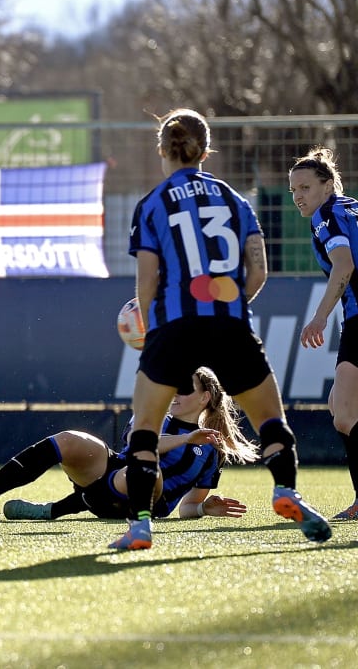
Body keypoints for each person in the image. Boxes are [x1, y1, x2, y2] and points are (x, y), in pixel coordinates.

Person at [115, 107, 331, 550]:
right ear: (206, 151)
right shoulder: (235, 200)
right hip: (229, 325)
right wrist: (229, 311)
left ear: (162, 150)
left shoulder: (152, 204)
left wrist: (156, 327)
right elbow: (258, 272)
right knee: (271, 419)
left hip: (172, 327)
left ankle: (139, 526)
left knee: (145, 430)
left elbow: (147, 282)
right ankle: (286, 491)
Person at [0, 367, 256, 522]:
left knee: (148, 469)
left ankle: (51, 510)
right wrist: (187, 437)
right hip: (109, 479)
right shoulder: (152, 414)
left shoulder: (213, 453)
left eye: (185, 388)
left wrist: (203, 507)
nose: (175, 392)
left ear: (204, 398)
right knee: (69, 439)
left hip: (141, 501)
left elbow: (185, 508)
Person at [288, 146, 358, 520]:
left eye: (305, 187)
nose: (299, 196)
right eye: (293, 191)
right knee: (339, 405)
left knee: (345, 414)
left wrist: (318, 318)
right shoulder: (352, 207)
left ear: (328, 185)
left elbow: (343, 264)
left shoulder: (325, 215)